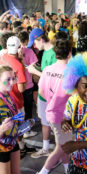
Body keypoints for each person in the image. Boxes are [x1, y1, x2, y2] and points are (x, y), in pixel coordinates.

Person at [31, 39, 72, 174]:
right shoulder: (71, 72)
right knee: (61, 146)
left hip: (51, 112)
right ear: (69, 53)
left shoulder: (48, 69)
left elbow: (41, 92)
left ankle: (68, 172)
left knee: (64, 143)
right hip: (64, 117)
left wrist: (53, 100)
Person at [27, 28, 57, 159]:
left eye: (34, 42)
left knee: (54, 123)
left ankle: (59, 151)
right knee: (44, 121)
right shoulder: (44, 52)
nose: (34, 46)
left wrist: (34, 71)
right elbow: (46, 71)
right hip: (43, 93)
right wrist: (37, 67)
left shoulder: (54, 53)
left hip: (51, 95)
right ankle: (45, 148)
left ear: (40, 39)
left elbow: (54, 77)